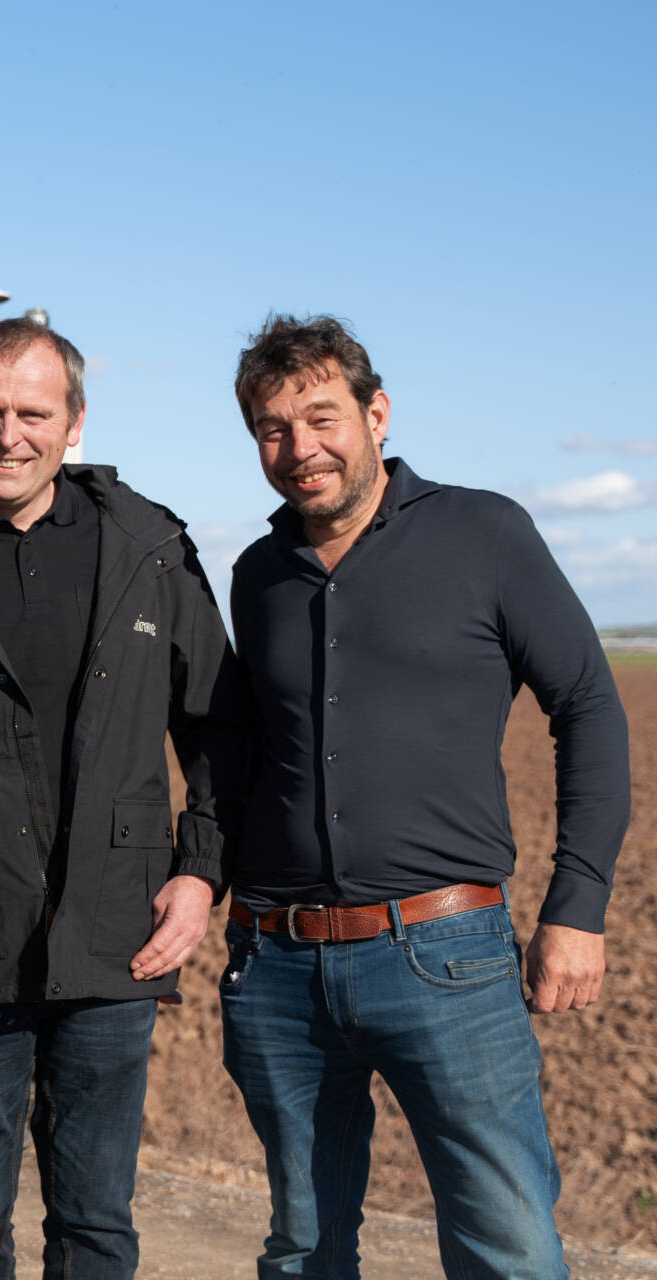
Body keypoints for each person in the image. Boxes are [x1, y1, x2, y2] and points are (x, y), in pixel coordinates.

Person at [221, 314, 632, 1279]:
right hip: (278, 968)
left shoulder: (484, 533)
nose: (299, 449)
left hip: (444, 957)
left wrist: (578, 908)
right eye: (273, 430)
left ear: (377, 414)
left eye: (322, 418)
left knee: (509, 1247)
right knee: (304, 1247)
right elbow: (244, 758)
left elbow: (588, 708)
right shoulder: (257, 575)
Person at [0, 316, 245, 1278]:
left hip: (116, 932)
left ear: (74, 424)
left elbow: (223, 732)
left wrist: (199, 876)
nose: (8, 433)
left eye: (33, 411)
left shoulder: (147, 546)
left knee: (98, 1221)